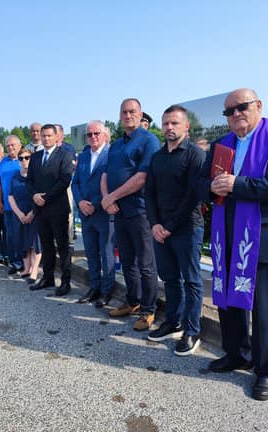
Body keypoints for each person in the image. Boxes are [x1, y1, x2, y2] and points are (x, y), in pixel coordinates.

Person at [197, 88, 268, 401]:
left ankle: (267, 371)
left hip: (266, 237)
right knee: (229, 302)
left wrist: (238, 184)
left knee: (265, 309)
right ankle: (237, 354)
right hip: (227, 235)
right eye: (228, 111)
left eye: (241, 107)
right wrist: (212, 186)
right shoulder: (222, 144)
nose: (235, 114)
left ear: (258, 105)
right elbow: (200, 184)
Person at [145, 105, 206, 356]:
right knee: (170, 279)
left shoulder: (195, 155)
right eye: (166, 123)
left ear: (186, 126)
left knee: (191, 281)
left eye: (175, 123)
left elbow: (193, 196)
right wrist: (155, 224)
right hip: (161, 230)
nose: (169, 127)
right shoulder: (157, 157)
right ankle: (173, 322)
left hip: (187, 228)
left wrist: (169, 226)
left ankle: (192, 331)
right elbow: (149, 193)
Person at [101, 98, 160, 331]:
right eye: (124, 112)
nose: (128, 115)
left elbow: (141, 178)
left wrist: (112, 197)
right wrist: (106, 199)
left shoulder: (149, 140)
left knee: (146, 263)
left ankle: (148, 309)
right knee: (127, 261)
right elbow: (106, 174)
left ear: (140, 113)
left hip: (139, 211)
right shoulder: (116, 144)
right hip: (119, 211)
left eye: (132, 111)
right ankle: (132, 301)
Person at [26, 124, 74, 296]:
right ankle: (48, 278)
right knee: (46, 245)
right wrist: (34, 195)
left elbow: (64, 181)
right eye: (43, 136)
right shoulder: (36, 157)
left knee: (62, 246)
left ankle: (66, 282)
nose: (46, 138)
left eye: (49, 135)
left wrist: (45, 198)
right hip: (40, 209)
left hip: (57, 208)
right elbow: (29, 180)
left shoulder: (65, 155)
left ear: (56, 137)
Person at [72, 121, 115, 308]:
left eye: (96, 133)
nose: (93, 137)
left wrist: (94, 204)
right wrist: (81, 202)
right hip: (85, 213)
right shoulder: (83, 156)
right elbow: (75, 183)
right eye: (89, 134)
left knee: (107, 254)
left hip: (103, 213)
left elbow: (112, 183)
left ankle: (107, 291)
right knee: (91, 253)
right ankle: (94, 287)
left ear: (105, 135)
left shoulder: (112, 154)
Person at [8, 148, 41, 284]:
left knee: (35, 243)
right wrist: (19, 213)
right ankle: (26, 268)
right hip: (19, 214)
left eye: (27, 157)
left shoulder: (38, 176)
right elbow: (10, 196)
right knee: (22, 241)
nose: (24, 160)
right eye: (21, 158)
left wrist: (32, 213)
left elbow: (41, 196)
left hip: (35, 213)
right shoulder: (15, 176)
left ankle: (34, 270)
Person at [0, 135, 23, 275]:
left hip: (23, 205)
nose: (11, 147)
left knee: (22, 235)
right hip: (7, 206)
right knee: (10, 236)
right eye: (8, 146)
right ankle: (15, 262)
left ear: (19, 145)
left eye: (13, 145)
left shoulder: (25, 159)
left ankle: (25, 262)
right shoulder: (3, 162)